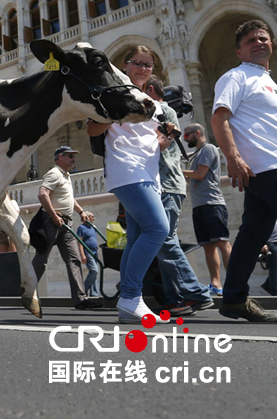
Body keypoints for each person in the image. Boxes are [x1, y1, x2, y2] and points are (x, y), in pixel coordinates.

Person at [211, 20, 277, 322]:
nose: (259, 42)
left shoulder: (274, 86)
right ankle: (234, 298)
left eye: (263, 38)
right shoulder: (235, 77)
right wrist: (232, 157)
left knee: (253, 235)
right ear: (239, 51)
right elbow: (219, 118)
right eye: (251, 40)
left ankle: (233, 299)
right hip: (265, 166)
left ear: (271, 45)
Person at [87, 45, 174, 324]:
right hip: (125, 169)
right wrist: (118, 112)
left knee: (136, 239)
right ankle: (131, 297)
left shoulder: (154, 104)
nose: (143, 68)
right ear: (124, 65)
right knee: (158, 228)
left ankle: (129, 302)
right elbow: (92, 128)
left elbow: (153, 142)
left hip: (149, 173)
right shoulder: (112, 95)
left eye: (148, 65)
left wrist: (166, 137)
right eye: (137, 62)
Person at [144, 76, 213, 316]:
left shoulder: (160, 110)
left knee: (163, 240)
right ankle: (175, 299)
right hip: (166, 185)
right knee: (164, 241)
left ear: (149, 90)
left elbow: (154, 144)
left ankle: (196, 293)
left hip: (167, 185)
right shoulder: (162, 112)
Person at [32, 146, 101, 310]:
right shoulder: (54, 173)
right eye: (70, 156)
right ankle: (27, 292)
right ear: (60, 157)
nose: (73, 159)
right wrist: (54, 216)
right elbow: (42, 194)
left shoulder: (66, 176)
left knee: (74, 260)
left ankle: (80, 299)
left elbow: (69, 198)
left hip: (66, 224)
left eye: (73, 156)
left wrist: (81, 211)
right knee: (41, 259)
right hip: (51, 221)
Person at [181, 122, 231, 295]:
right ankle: (216, 284)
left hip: (212, 203)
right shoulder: (198, 154)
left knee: (222, 243)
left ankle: (234, 282)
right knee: (208, 246)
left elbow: (200, 174)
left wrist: (179, 171)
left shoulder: (208, 149)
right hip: (199, 206)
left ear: (198, 133)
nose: (185, 139)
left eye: (186, 135)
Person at [76, 221, 100, 298]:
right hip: (88, 252)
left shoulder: (93, 227)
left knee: (94, 273)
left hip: (95, 252)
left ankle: (94, 293)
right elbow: (80, 242)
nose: (93, 218)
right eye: (92, 216)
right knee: (94, 270)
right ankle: (83, 289)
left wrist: (98, 251)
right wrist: (82, 254)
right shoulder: (81, 228)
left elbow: (94, 240)